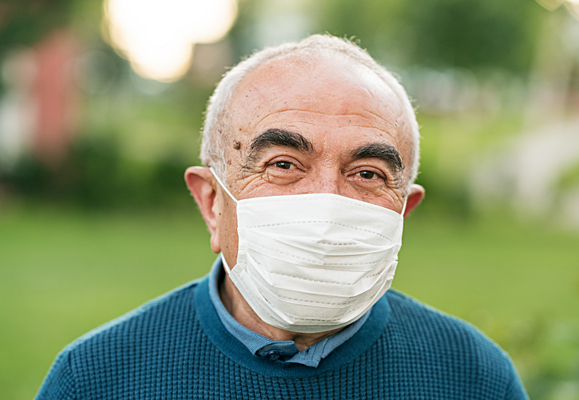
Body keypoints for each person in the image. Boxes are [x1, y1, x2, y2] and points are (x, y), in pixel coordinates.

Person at [36, 34, 529, 399]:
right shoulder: (96, 378)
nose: (326, 206)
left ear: (405, 211)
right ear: (212, 203)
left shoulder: (475, 378)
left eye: (368, 173)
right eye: (283, 165)